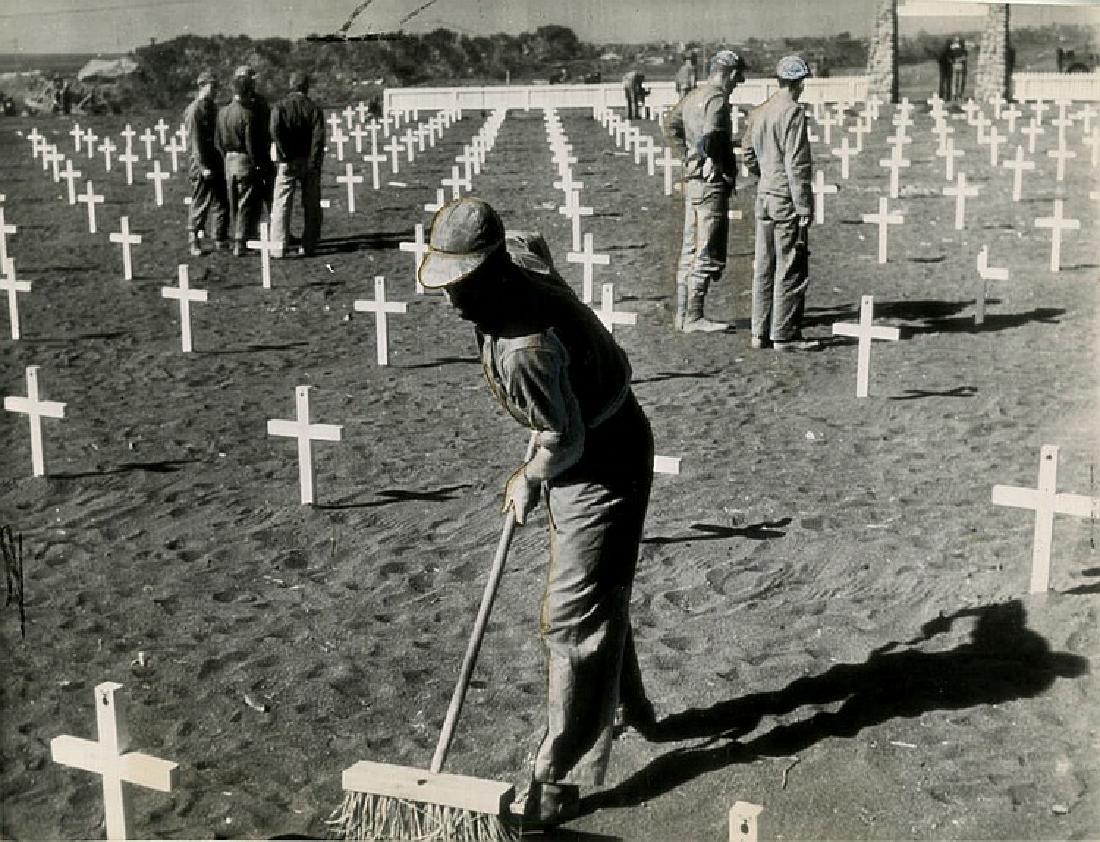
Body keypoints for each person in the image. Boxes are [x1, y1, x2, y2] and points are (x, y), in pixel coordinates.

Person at [417, 197, 658, 830]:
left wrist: (528, 476)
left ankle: (558, 778)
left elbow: (566, 442)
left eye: (460, 283)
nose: (450, 299)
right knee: (597, 590)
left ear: (490, 270)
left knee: (571, 618)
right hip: (599, 433)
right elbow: (535, 240)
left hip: (600, 460)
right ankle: (628, 705)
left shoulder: (524, 349)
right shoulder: (516, 254)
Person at [663, 49, 745, 332]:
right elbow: (712, 137)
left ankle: (683, 314)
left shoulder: (694, 95)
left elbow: (670, 125)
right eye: (738, 78)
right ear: (731, 74)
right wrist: (715, 161)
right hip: (711, 182)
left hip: (693, 180)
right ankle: (694, 316)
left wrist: (687, 156)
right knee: (708, 246)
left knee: (690, 245)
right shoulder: (717, 100)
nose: (738, 83)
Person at [743, 55, 817, 351]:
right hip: (785, 196)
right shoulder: (792, 112)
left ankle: (759, 332)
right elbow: (796, 163)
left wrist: (764, 175)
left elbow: (748, 152)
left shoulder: (761, 111)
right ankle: (785, 334)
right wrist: (804, 206)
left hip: (764, 193)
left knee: (764, 264)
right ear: (799, 83)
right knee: (790, 265)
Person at [269, 71, 325, 258]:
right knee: (311, 204)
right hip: (307, 160)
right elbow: (318, 138)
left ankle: (278, 246)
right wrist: (314, 162)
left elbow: (275, 130)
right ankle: (309, 245)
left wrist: (284, 153)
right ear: (306, 87)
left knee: (281, 203)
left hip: (287, 161)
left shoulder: (281, 107)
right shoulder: (313, 108)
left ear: (291, 86)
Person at [215, 68, 271, 255]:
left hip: (229, 162)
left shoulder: (223, 112)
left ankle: (239, 237)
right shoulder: (248, 114)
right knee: (246, 203)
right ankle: (241, 241)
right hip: (245, 161)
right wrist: (256, 164)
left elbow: (219, 141)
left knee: (234, 203)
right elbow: (251, 144)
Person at [182, 70, 229, 255]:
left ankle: (219, 237)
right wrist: (203, 167)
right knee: (201, 201)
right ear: (202, 86)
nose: (215, 90)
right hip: (201, 162)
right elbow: (195, 143)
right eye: (212, 87)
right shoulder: (194, 111)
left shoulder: (212, 108)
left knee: (221, 200)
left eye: (216, 87)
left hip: (214, 158)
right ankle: (194, 239)